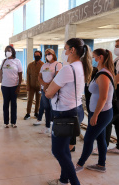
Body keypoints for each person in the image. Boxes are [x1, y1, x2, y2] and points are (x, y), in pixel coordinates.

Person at [45, 38, 92, 185]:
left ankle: (74, 182)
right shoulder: (81, 67)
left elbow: (48, 93)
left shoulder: (67, 69)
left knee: (58, 151)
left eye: (66, 49)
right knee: (65, 149)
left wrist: (50, 88)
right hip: (76, 110)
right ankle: (63, 180)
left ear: (72, 50)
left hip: (64, 113)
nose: (64, 52)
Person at [75, 49, 114, 173]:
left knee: (88, 138)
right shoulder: (100, 72)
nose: (93, 59)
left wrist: (95, 115)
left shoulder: (103, 75)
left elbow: (103, 98)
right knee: (101, 139)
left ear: (101, 58)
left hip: (101, 113)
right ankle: (101, 165)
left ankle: (79, 164)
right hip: (98, 112)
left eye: (94, 57)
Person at [34, 49, 62, 136]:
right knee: (47, 108)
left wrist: (49, 85)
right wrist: (43, 84)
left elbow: (57, 76)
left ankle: (53, 128)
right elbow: (39, 77)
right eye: (46, 54)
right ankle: (47, 127)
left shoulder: (58, 64)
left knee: (53, 108)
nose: (47, 55)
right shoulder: (44, 65)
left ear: (53, 54)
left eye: (49, 54)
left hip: (52, 90)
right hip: (44, 89)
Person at [1, 45, 22, 128]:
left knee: (13, 104)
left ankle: (13, 122)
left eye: (9, 50)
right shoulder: (4, 61)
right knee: (5, 104)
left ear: (13, 51)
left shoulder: (17, 61)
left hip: (14, 86)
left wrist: (19, 86)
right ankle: (6, 122)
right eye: (6, 51)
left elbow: (20, 74)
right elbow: (1, 73)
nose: (7, 52)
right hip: (4, 86)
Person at [106, 39, 119, 154]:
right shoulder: (117, 59)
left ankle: (103, 145)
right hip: (116, 93)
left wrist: (108, 85)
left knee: (108, 119)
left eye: (118, 46)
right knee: (117, 121)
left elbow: (117, 78)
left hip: (117, 94)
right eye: (115, 46)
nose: (116, 48)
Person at [24, 51, 44, 120]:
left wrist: (42, 86)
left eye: (38, 55)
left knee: (38, 100)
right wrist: (28, 85)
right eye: (35, 55)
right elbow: (28, 75)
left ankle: (36, 112)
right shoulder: (30, 65)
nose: (36, 56)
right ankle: (28, 113)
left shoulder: (43, 65)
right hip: (31, 86)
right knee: (30, 99)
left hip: (39, 87)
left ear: (41, 56)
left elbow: (44, 76)